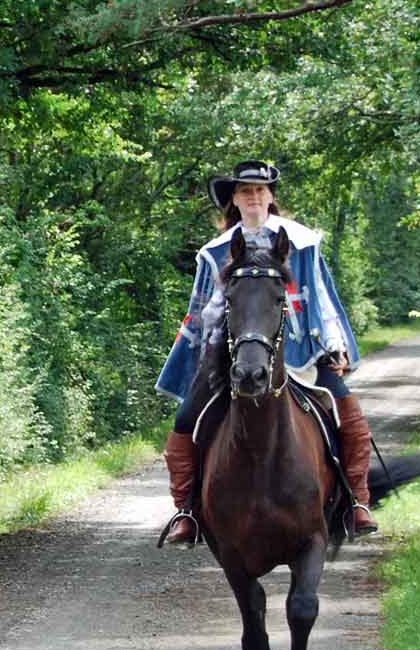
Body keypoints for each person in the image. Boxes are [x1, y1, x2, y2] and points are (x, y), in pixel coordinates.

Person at [155, 160, 378, 545]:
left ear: (271, 197)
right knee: (186, 418)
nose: (253, 197)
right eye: (245, 191)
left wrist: (335, 345)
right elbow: (201, 310)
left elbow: (321, 297)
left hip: (300, 353)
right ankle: (187, 509)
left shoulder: (303, 242)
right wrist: (202, 361)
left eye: (260, 190)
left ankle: (357, 502)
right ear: (234, 202)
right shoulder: (215, 252)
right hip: (234, 358)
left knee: (348, 412)